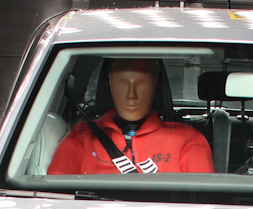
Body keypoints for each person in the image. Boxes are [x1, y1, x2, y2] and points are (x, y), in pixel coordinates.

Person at [47, 58, 213, 175]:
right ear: (109, 84)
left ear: (155, 84)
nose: (131, 94)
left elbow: (203, 205)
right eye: (122, 82)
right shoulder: (82, 137)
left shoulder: (187, 140)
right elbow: (55, 200)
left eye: (141, 83)